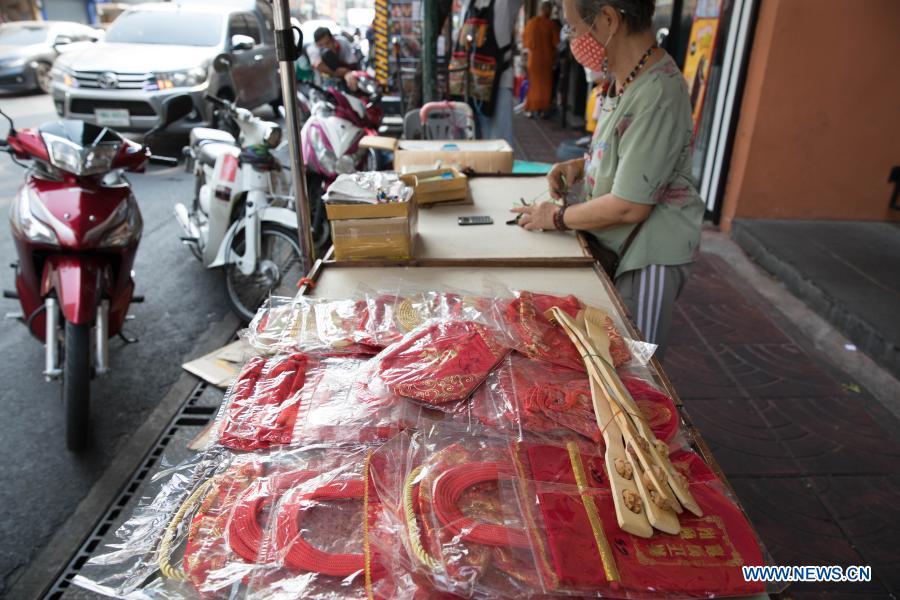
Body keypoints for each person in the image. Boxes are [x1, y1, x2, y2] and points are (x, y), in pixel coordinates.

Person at [512, 0, 704, 357]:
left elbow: (630, 206)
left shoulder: (657, 91)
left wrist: (554, 217)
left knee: (634, 364)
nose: (569, 38)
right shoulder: (627, 78)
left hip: (645, 255)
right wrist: (581, 167)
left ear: (608, 19)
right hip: (622, 245)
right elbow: (630, 153)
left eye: (571, 27)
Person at [458, 0, 524, 146]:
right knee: (473, 141)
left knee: (498, 144)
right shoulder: (467, 3)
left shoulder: (506, 3)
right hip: (470, 83)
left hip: (498, 83)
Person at [523, 1, 560, 118]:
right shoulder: (551, 24)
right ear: (549, 11)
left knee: (533, 86)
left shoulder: (531, 23)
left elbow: (525, 41)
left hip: (533, 61)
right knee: (545, 86)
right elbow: (557, 43)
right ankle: (543, 110)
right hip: (546, 61)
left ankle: (531, 109)